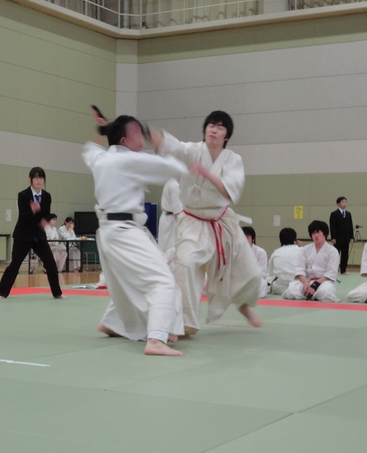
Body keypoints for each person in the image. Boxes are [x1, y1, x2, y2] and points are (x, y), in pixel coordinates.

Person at [84, 110, 189, 356]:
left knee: (127, 283)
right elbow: (173, 168)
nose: (142, 139)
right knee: (163, 281)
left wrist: (102, 130)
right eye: (137, 134)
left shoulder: (102, 158)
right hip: (124, 232)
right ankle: (156, 339)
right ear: (124, 141)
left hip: (109, 232)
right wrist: (160, 142)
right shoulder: (128, 160)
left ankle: (113, 324)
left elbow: (89, 150)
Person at [151, 110, 262, 334]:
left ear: (226, 136)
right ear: (205, 130)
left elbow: (229, 191)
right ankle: (185, 323)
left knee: (250, 271)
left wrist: (205, 173)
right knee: (186, 263)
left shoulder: (233, 160)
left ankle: (243, 304)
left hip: (222, 221)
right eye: (211, 125)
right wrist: (150, 134)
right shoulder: (193, 150)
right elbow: (173, 146)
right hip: (192, 220)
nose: (214, 130)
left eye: (220, 127)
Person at [0, 167, 65, 299]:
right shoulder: (23, 195)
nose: (38, 180)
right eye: (36, 177)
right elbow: (22, 215)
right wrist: (32, 210)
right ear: (30, 179)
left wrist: (45, 221)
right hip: (23, 235)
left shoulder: (47, 196)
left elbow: (47, 214)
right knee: (15, 264)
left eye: (41, 178)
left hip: (39, 236)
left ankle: (57, 293)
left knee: (50, 263)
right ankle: (1, 292)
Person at [283, 220, 340, 302]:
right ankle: (311, 293)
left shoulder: (332, 251)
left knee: (324, 293)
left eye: (318, 232)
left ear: (325, 233)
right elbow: (300, 269)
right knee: (290, 291)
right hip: (307, 280)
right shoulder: (305, 249)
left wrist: (315, 284)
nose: (316, 235)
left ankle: (311, 293)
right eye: (313, 233)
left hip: (323, 281)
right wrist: (305, 283)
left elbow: (331, 272)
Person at [267, 227, 301, 295]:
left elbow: (270, 273)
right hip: (296, 288)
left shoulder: (276, 253)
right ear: (295, 240)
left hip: (278, 289)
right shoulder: (301, 251)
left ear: (280, 240)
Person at [329, 196, 355, 274]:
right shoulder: (334, 214)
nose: (345, 204)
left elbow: (350, 226)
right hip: (337, 238)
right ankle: (335, 270)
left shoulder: (348, 214)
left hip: (346, 238)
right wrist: (333, 237)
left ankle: (343, 270)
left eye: (345, 202)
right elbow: (332, 226)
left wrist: (351, 237)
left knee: (345, 255)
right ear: (338, 204)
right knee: (336, 255)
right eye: (343, 202)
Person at [158, 178, 182, 253]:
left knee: (164, 247)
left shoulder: (170, 182)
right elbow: (177, 212)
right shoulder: (175, 186)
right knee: (170, 247)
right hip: (171, 220)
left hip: (166, 217)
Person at [242, 226, 268, 298]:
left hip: (253, 281)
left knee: (263, 284)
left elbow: (263, 274)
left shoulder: (260, 252)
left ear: (253, 239)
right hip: (238, 281)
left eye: (247, 237)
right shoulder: (234, 252)